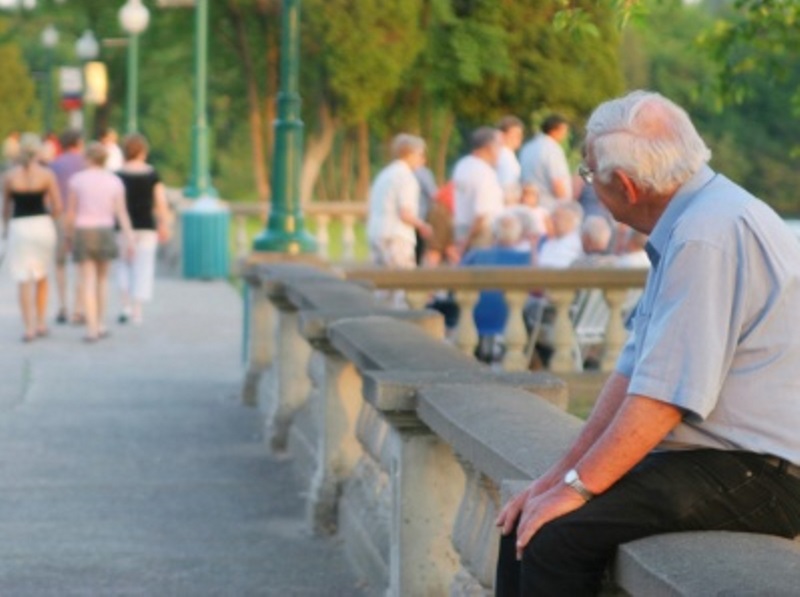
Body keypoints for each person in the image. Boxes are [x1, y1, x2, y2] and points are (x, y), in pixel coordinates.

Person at [495, 90, 800, 596]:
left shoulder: (707, 233)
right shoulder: (696, 218)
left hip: (763, 471)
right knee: (526, 522)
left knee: (553, 539)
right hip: (719, 458)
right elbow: (635, 373)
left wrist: (576, 489)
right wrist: (556, 480)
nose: (586, 183)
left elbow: (664, 399)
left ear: (629, 188)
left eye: (589, 175)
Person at [65, 142, 134, 342]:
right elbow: (121, 212)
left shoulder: (77, 180)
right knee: (103, 280)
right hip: (105, 230)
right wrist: (129, 238)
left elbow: (71, 212)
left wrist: (68, 236)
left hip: (83, 230)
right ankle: (101, 323)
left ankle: (91, 328)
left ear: (88, 158)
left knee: (87, 280)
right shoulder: (114, 181)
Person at [2, 133, 61, 341]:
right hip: (42, 225)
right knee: (42, 275)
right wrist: (50, 219)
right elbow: (57, 206)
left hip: (20, 226)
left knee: (23, 278)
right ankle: (41, 321)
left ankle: (28, 327)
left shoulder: (9, 176)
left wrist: (6, 230)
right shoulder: (47, 175)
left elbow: (6, 209)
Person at [115, 133, 172, 325]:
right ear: (143, 151)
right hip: (146, 226)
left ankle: (125, 306)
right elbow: (161, 202)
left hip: (122, 228)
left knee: (124, 265)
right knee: (143, 267)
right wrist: (164, 224)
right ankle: (137, 311)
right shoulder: (152, 174)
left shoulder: (118, 175)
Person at [461, 213, 531, 364]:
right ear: (518, 235)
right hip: (508, 319)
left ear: (494, 233)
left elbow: (456, 277)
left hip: (475, 316)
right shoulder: (525, 258)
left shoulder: (476, 255)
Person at [366, 133, 432, 272]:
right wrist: (423, 226)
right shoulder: (406, 177)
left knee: (383, 286)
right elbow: (405, 213)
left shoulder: (385, 174)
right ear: (410, 154)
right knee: (401, 283)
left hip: (377, 233)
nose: (422, 160)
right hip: (397, 237)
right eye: (420, 155)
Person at [49, 129, 87, 324]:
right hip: (82, 217)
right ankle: (78, 309)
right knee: (81, 264)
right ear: (78, 142)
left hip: (60, 217)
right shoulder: (85, 163)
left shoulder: (54, 165)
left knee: (60, 263)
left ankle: (62, 306)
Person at [452, 127, 504, 255]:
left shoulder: (462, 165)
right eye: (498, 146)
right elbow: (481, 215)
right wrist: (467, 242)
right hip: (482, 234)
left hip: (461, 227)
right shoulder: (485, 172)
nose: (500, 151)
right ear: (489, 147)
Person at [519, 114, 572, 211]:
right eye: (564, 130)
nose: (566, 134)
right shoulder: (552, 149)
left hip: (529, 204)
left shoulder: (528, 147)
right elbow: (557, 181)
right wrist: (566, 207)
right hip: (550, 206)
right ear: (555, 130)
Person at [495, 115, 524, 198]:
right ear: (502, 135)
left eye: (520, 135)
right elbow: (507, 187)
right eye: (516, 134)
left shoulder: (505, 154)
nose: (519, 138)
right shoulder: (505, 156)